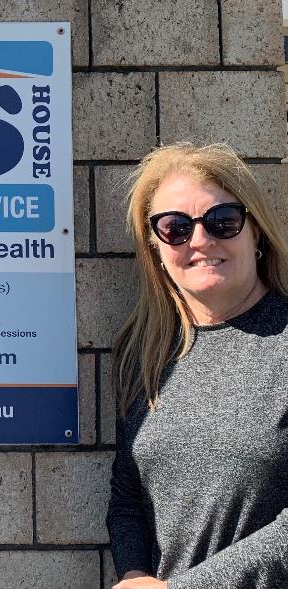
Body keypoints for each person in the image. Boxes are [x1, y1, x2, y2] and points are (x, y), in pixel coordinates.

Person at [106, 142, 288, 589]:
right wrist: (134, 576)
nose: (201, 241)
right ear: (156, 249)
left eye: (222, 221)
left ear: (256, 231)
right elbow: (128, 499)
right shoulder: (145, 353)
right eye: (176, 227)